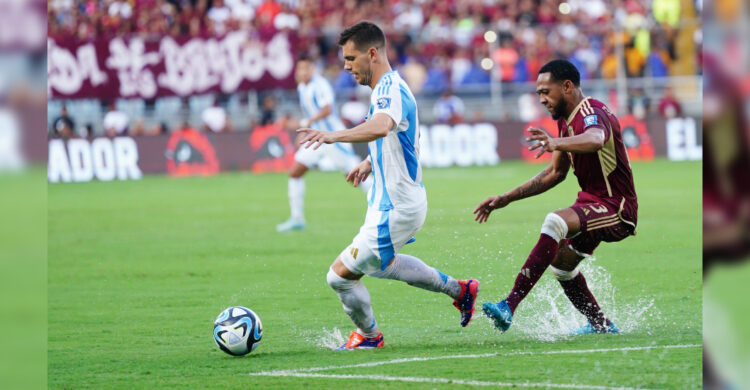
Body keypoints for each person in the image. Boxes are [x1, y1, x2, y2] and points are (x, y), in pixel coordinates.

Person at [297, 21, 479, 350]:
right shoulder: (388, 88)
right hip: (394, 201)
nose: (346, 66)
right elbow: (405, 133)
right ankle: (461, 291)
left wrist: (333, 134)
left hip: (395, 206)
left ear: (372, 53)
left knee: (338, 277)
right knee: (384, 266)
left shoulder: (389, 90)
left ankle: (370, 337)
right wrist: (369, 163)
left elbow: (381, 126)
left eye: (351, 59)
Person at [475, 59, 638, 335]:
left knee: (555, 222)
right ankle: (601, 325)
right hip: (592, 203)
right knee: (561, 265)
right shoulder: (565, 122)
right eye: (539, 93)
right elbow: (554, 173)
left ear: (566, 86)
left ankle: (509, 305)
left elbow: (596, 138)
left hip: (616, 208)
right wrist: (506, 198)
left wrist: (555, 142)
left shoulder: (592, 111)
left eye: (545, 92)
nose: (541, 99)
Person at [276, 56, 373, 232]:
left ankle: (385, 202)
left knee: (355, 176)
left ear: (312, 69)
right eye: (300, 69)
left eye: (306, 69)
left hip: (333, 138)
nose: (303, 72)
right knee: (295, 172)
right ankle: (297, 218)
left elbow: (327, 109)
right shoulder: (301, 87)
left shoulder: (320, 85)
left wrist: (307, 122)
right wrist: (307, 130)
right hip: (316, 138)